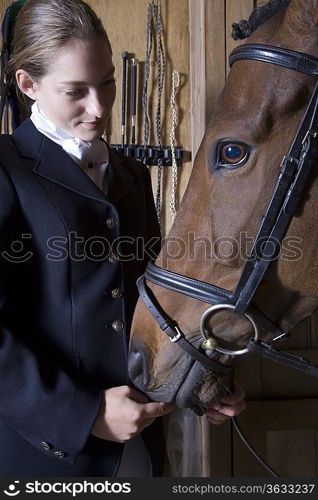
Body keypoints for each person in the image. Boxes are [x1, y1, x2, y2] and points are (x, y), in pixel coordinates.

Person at [0, 0, 245, 477]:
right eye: (76, 91)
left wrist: (201, 383)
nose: (99, 107)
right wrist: (82, 413)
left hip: (146, 452)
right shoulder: (5, 168)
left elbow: (150, 308)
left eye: (107, 82)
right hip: (45, 458)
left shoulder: (132, 173)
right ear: (27, 85)